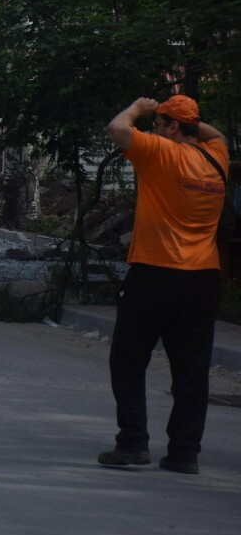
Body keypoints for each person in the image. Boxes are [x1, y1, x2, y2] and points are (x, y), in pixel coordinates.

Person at [98, 94, 227, 474]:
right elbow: (213, 133)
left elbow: (117, 128)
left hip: (155, 272)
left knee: (128, 361)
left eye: (159, 124)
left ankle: (133, 444)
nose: (153, 128)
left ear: (172, 128)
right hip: (203, 278)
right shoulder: (217, 157)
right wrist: (181, 117)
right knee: (191, 370)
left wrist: (140, 108)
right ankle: (185, 453)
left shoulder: (160, 153)